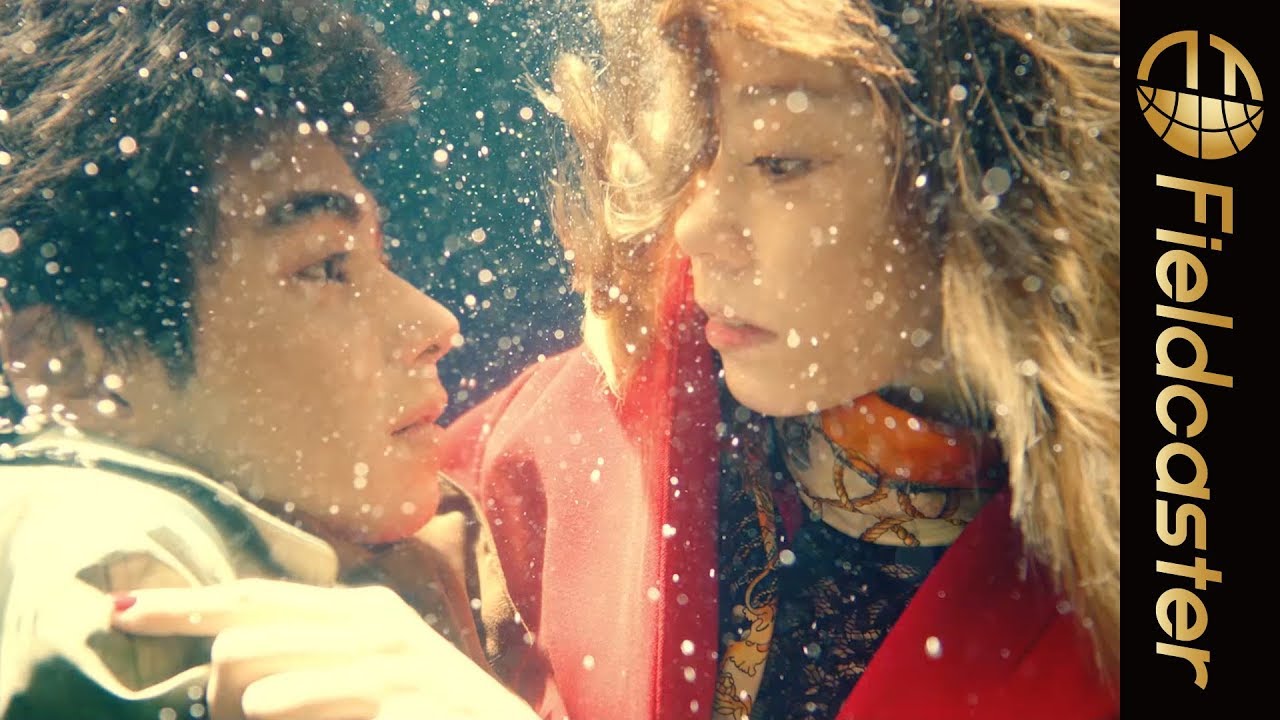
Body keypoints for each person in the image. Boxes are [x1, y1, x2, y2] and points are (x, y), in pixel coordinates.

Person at [440, 0, 1120, 718]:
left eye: (780, 163)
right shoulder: (558, 444)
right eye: (702, 146)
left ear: (1004, 173)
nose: (696, 224)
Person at [0, 2, 542, 718]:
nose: (435, 324)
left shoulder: (340, 547)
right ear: (73, 367)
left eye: (379, 260)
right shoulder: (119, 568)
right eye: (324, 267)